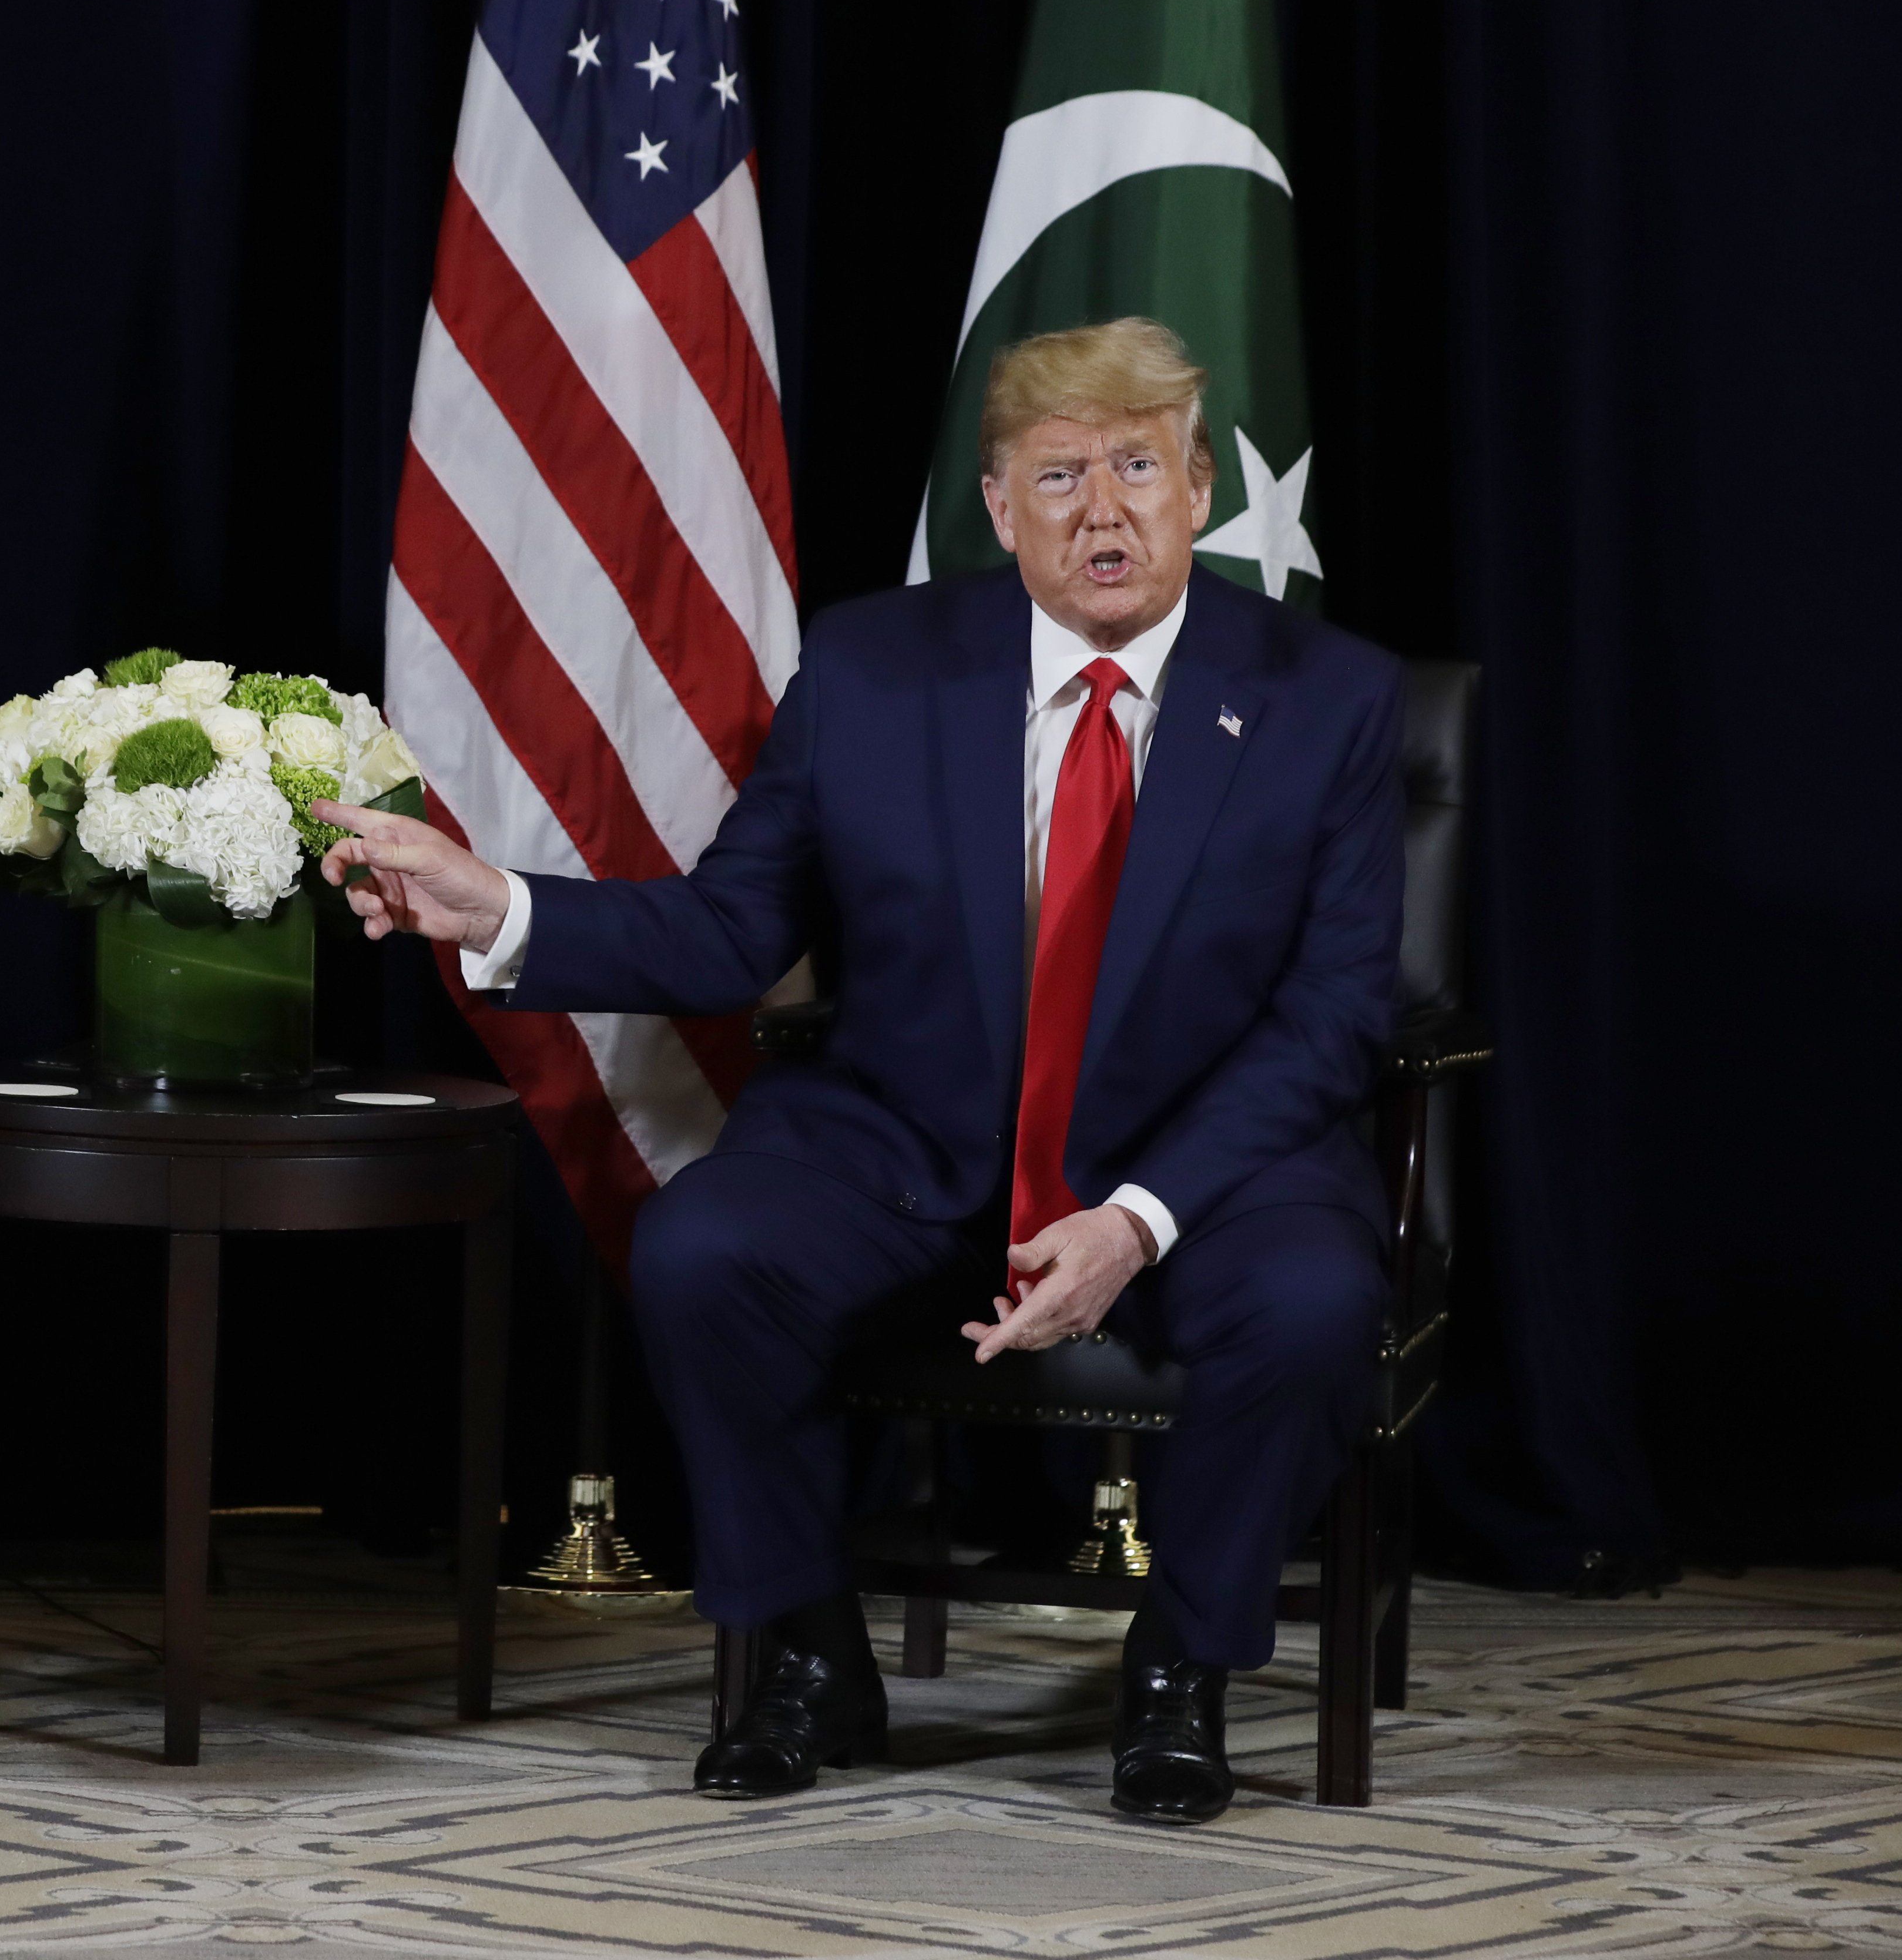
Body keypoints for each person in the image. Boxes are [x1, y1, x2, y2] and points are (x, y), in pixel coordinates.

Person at [314, 318, 1403, 1826]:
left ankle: (1179, 1673)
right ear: (1001, 509)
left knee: (1314, 1300)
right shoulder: (877, 668)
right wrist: (497, 904)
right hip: (910, 1137)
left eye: (1141, 466)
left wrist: (1137, 1216)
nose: (1106, 508)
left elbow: (1337, 1012)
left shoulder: (1325, 695)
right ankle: (813, 1649)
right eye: (1062, 474)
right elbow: (730, 928)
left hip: (1206, 1168)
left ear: (1203, 489)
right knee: (704, 1249)